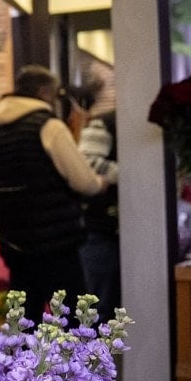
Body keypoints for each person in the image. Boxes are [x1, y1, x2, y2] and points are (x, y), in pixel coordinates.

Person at [0, 66, 112, 323]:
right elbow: (83, 181)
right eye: (54, 94)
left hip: (14, 244)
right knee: (73, 320)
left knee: (24, 322)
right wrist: (102, 182)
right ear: (43, 92)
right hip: (56, 245)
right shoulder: (48, 126)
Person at [77, 100, 121, 321]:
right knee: (99, 307)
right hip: (101, 229)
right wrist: (135, 171)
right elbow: (86, 165)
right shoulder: (104, 124)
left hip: (126, 232)